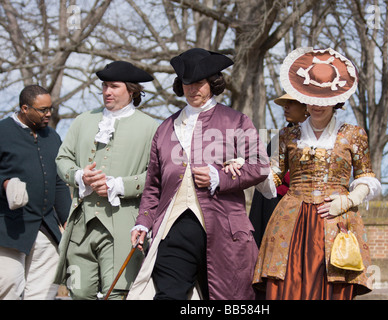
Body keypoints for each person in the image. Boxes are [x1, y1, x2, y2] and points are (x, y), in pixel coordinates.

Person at [128, 48, 270, 300]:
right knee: (168, 296)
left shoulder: (237, 120)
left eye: (199, 83)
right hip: (173, 229)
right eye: (187, 83)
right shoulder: (164, 128)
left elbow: (259, 165)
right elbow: (153, 185)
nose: (193, 90)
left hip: (225, 231)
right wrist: (143, 221)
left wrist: (220, 178)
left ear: (213, 83)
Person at [253, 47, 381, 300]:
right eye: (312, 99)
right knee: (287, 286)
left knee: (332, 285)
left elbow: (366, 176)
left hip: (336, 219)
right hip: (291, 222)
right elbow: (273, 179)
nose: (318, 106)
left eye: (324, 100)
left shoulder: (354, 135)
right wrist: (249, 170)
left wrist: (350, 200)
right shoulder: (287, 136)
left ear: (336, 100)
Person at [54, 61, 159, 300]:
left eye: (114, 86)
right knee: (78, 292)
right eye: (104, 86)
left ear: (131, 90)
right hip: (82, 223)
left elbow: (156, 177)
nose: (107, 92)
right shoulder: (83, 121)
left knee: (118, 293)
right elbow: (63, 159)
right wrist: (80, 175)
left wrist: (119, 185)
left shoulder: (151, 127)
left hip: (123, 225)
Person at [0, 85, 71, 299]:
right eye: (42, 109)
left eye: (50, 108)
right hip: (8, 227)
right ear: (24, 108)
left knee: (45, 290)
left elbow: (59, 181)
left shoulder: (53, 137)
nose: (48, 113)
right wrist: (5, 184)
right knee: (9, 285)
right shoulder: (2, 132)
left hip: (46, 226)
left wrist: (67, 220)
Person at [249, 93, 308, 247]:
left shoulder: (325, 140)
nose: (285, 107)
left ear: (306, 107)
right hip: (277, 210)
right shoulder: (278, 139)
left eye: (292, 102)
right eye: (285, 103)